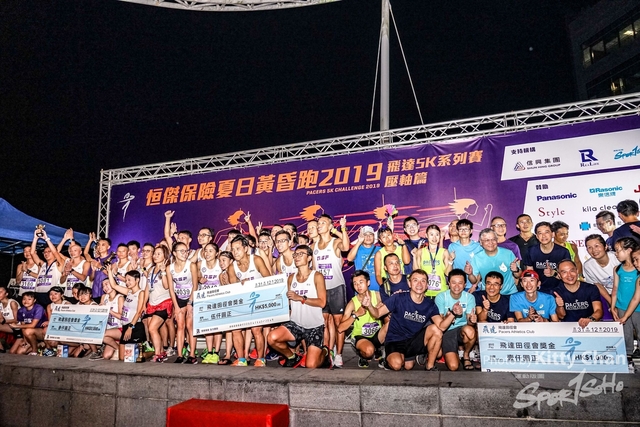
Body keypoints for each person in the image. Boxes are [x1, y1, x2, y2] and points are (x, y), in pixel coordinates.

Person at [361, 269, 455, 371]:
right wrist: (369, 306)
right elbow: (378, 313)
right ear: (409, 284)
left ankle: (430, 365)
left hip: (413, 340)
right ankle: (388, 359)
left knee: (436, 331)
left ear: (427, 285)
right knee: (398, 365)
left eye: (423, 281)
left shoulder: (430, 304)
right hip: (395, 340)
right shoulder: (398, 298)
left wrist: (453, 314)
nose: (419, 284)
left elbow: (441, 326)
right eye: (415, 280)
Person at [267, 245, 331, 369]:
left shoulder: (317, 276)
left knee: (311, 365)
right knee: (272, 337)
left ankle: (325, 352)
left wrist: (301, 298)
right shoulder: (291, 278)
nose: (297, 257)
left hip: (314, 326)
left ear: (309, 258)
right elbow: (287, 302)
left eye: (301, 254)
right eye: (295, 254)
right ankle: (292, 357)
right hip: (296, 324)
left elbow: (322, 302)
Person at [227, 235, 272, 367]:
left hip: (258, 300)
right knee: (235, 329)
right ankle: (241, 359)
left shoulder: (256, 260)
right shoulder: (232, 267)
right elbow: (233, 288)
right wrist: (240, 283)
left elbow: (269, 279)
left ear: (246, 248)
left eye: (238, 249)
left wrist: (253, 285)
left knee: (256, 329)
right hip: (243, 302)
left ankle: (261, 359)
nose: (235, 252)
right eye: (233, 249)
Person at [312, 214, 350, 368]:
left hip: (336, 288)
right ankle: (329, 350)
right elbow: (314, 270)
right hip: (322, 290)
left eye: (323, 223)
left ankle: (339, 354)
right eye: (318, 223)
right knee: (325, 322)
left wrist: (342, 229)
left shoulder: (335, 242)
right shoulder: (314, 246)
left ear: (330, 226)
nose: (319, 225)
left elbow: (346, 247)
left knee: (338, 322)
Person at [338, 270, 386, 368]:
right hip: (361, 337)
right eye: (355, 283)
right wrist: (356, 314)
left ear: (368, 283)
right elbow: (340, 328)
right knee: (368, 351)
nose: (358, 286)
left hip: (377, 335)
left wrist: (382, 308)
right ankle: (362, 354)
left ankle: (385, 353)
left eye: (361, 282)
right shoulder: (352, 303)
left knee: (390, 323)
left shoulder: (378, 296)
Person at [435, 269, 478, 371]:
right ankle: (450, 352)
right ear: (449, 283)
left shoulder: (469, 297)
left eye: (460, 283)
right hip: (447, 331)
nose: (457, 286)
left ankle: (466, 355)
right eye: (453, 283)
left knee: (470, 331)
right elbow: (440, 323)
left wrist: (472, 320)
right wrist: (450, 315)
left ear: (465, 284)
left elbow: (469, 323)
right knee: (453, 366)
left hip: (461, 329)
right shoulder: (441, 297)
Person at [610, 237, 640, 369]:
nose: (616, 254)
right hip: (622, 306)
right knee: (625, 332)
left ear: (628, 250)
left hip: (638, 308)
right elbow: (615, 289)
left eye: (618, 250)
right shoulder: (618, 269)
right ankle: (628, 355)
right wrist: (612, 306)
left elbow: (636, 298)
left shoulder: (638, 269)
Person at [167, 242, 198, 364]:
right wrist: (176, 306)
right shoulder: (169, 268)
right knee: (180, 326)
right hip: (179, 298)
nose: (185, 253)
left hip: (192, 297)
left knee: (190, 325)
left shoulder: (191, 265)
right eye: (182, 251)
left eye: (186, 251)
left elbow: (195, 285)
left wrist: (190, 302)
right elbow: (171, 289)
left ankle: (192, 354)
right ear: (175, 253)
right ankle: (180, 355)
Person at [107, 268, 147, 361]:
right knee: (122, 357)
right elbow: (114, 285)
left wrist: (130, 327)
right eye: (126, 280)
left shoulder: (141, 293)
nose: (127, 282)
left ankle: (150, 352)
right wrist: (109, 271)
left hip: (135, 326)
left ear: (137, 280)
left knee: (134, 356)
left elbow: (139, 312)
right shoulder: (128, 292)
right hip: (125, 325)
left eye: (129, 280)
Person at [522, 222, 570, 294]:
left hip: (559, 290)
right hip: (539, 291)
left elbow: (567, 276)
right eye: (540, 233)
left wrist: (553, 273)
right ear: (537, 236)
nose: (543, 236)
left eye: (546, 232)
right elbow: (530, 272)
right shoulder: (531, 251)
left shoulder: (563, 252)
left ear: (553, 234)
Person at [468, 228, 520, 295]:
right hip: (488, 294)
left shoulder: (508, 253)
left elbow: (518, 275)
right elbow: (474, 280)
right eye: (487, 240)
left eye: (493, 239)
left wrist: (516, 270)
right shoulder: (477, 258)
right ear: (480, 242)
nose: (490, 242)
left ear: (497, 240)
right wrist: (470, 274)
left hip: (509, 293)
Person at [553, 259, 603, 327]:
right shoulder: (556, 292)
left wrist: (590, 319)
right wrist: (560, 306)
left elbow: (598, 310)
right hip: (567, 328)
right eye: (564, 272)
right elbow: (561, 316)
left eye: (572, 271)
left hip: (589, 326)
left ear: (577, 271)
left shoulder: (591, 288)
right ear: (559, 275)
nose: (569, 275)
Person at [145, 245, 173, 362]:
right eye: (155, 253)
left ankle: (158, 354)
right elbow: (147, 288)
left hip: (164, 303)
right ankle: (161, 351)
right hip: (152, 304)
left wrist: (163, 272)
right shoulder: (151, 270)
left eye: (158, 254)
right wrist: (143, 304)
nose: (155, 256)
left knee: (152, 328)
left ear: (165, 256)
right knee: (153, 330)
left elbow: (167, 286)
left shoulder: (168, 269)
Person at [583, 234, 619, 320]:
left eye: (596, 246)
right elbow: (598, 286)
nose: (594, 250)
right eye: (589, 247)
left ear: (605, 246)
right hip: (607, 294)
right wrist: (612, 304)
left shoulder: (617, 258)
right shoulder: (588, 265)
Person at [197, 242, 223, 363]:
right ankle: (209, 351)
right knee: (207, 327)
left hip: (218, 299)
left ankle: (216, 353)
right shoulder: (200, 264)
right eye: (206, 251)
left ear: (217, 253)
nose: (207, 253)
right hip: (204, 300)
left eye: (210, 251)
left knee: (217, 327)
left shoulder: (220, 264)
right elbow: (196, 277)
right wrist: (199, 279)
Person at [412, 224, 452, 298]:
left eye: (437, 234)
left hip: (441, 292)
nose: (434, 237)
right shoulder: (420, 252)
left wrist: (450, 261)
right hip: (425, 292)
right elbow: (416, 272)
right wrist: (414, 257)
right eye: (431, 234)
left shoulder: (444, 252)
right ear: (426, 235)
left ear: (440, 236)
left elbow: (447, 273)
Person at [31, 229, 66, 307]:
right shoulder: (42, 264)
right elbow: (32, 253)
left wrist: (46, 238)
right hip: (38, 293)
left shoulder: (58, 263)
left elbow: (55, 252)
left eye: (49, 251)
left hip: (51, 295)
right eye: (45, 252)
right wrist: (35, 238)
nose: (46, 254)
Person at [448, 219, 483, 291]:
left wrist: (475, 285)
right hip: (457, 286)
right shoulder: (452, 246)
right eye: (461, 229)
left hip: (473, 286)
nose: (463, 231)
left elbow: (481, 269)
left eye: (466, 229)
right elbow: (450, 267)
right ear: (457, 231)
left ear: (471, 231)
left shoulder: (478, 247)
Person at [346, 226, 380, 291]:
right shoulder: (357, 249)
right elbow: (349, 259)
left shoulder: (380, 250)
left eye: (370, 234)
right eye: (365, 235)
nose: (368, 237)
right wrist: (359, 242)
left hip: (378, 289)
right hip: (361, 289)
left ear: (374, 237)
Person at [41, 286, 71, 357]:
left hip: (66, 327)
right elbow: (50, 320)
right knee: (45, 330)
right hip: (55, 326)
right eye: (51, 294)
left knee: (54, 342)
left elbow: (68, 320)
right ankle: (49, 349)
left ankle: (60, 348)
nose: (53, 296)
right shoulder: (49, 306)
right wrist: (49, 322)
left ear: (62, 295)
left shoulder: (67, 304)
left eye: (55, 294)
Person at [84, 233, 114, 303]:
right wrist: (93, 271)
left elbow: (112, 275)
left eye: (103, 245)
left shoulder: (112, 258)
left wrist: (99, 266)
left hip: (107, 291)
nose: (100, 246)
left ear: (108, 247)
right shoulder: (95, 260)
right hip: (96, 291)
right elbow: (91, 279)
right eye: (98, 245)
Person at [99, 278, 124, 360]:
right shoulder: (104, 297)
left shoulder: (120, 298)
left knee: (102, 334)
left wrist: (109, 310)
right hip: (109, 329)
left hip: (120, 329)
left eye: (106, 284)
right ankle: (118, 348)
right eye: (103, 286)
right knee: (106, 356)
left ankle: (119, 348)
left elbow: (121, 316)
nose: (104, 287)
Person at [0, 285, 20, 352]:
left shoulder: (12, 303)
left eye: (0, 292)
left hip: (18, 327)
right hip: (10, 326)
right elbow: (1, 319)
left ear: (6, 294)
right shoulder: (0, 305)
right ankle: (1, 348)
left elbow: (16, 320)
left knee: (12, 352)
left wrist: (3, 321)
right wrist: (2, 320)